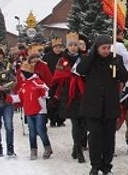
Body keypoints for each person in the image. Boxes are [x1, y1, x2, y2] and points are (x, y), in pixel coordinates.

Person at [76, 35, 128, 175]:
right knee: (95, 136)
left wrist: (119, 67)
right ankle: (95, 165)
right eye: (103, 48)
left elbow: (124, 77)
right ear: (97, 47)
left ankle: (106, 166)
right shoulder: (89, 59)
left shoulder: (116, 58)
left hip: (110, 105)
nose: (106, 50)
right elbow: (80, 71)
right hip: (92, 106)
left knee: (109, 138)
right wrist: (91, 56)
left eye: (108, 47)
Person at [52, 32, 87, 163]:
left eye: (75, 45)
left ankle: (75, 146)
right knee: (75, 123)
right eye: (71, 45)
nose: (73, 47)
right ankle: (78, 150)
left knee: (85, 123)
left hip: (83, 93)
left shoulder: (84, 58)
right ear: (67, 47)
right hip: (69, 94)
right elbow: (57, 76)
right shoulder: (62, 60)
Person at [17, 61, 53, 160]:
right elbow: (19, 97)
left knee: (40, 130)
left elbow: (46, 90)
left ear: (26, 73)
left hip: (40, 112)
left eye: (22, 73)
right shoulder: (24, 85)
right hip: (28, 112)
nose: (20, 75)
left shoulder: (37, 82)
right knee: (32, 132)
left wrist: (46, 94)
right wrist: (7, 98)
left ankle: (47, 148)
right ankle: (33, 150)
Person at [43, 37, 66, 127]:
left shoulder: (64, 56)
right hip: (51, 81)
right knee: (52, 101)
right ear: (53, 47)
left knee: (62, 101)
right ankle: (52, 119)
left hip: (62, 82)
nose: (58, 49)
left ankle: (60, 119)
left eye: (59, 47)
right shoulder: (47, 56)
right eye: (56, 47)